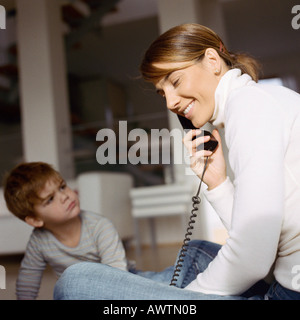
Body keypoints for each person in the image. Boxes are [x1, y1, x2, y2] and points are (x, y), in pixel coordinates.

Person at [54, 23, 300, 300]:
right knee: (194, 252)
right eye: (162, 92)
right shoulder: (254, 102)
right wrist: (217, 183)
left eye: (175, 81)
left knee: (74, 283)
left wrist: (180, 303)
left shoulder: (250, 108)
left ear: (211, 60)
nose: (170, 103)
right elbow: (259, 236)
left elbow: (254, 256)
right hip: (282, 276)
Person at [3, 161, 127, 299]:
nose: (64, 196)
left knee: (150, 280)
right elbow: (27, 283)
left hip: (119, 280)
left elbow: (118, 277)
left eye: (62, 187)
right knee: (67, 285)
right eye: (50, 199)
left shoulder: (100, 226)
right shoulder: (39, 241)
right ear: (35, 220)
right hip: (79, 292)